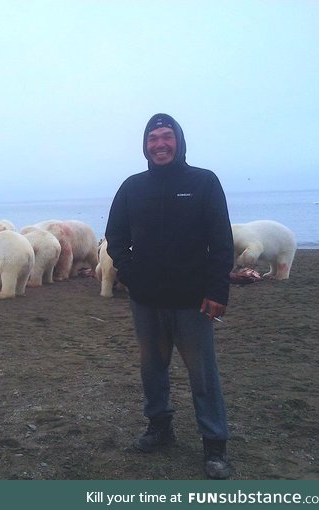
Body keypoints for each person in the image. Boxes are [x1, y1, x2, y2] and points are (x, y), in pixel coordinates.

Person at [105, 113, 234, 479]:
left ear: (178, 141)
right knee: (152, 369)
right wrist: (130, 276)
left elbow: (221, 242)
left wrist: (217, 289)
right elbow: (115, 236)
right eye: (152, 139)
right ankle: (159, 428)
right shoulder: (132, 187)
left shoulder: (203, 182)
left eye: (166, 137)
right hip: (147, 300)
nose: (159, 144)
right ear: (145, 146)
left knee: (202, 374)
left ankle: (214, 445)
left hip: (193, 300)